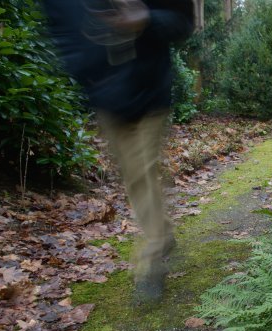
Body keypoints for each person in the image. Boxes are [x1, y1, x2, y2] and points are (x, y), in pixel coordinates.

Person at [42, 0, 195, 302]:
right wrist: (91, 77)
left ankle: (151, 259)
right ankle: (162, 234)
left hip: (151, 87)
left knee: (143, 168)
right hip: (106, 93)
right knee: (135, 175)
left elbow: (183, 22)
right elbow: (62, 28)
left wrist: (148, 19)